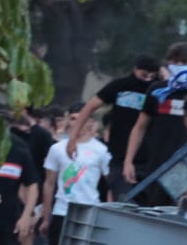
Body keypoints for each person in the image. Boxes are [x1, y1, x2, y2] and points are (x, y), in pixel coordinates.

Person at [64, 54, 158, 199]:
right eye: (144, 75)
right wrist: (73, 138)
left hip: (149, 158)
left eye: (152, 76)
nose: (147, 79)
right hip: (119, 156)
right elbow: (89, 107)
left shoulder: (158, 89)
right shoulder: (120, 86)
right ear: (135, 69)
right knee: (123, 201)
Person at [122, 43, 187, 197]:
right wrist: (128, 161)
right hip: (157, 163)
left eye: (185, 62)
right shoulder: (158, 90)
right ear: (168, 63)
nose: (179, 66)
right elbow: (140, 126)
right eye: (175, 62)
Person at [40, 106, 111, 245]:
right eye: (72, 118)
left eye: (82, 118)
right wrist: (45, 217)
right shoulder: (57, 149)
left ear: (91, 122)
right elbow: (49, 184)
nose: (77, 122)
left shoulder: (101, 150)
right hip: (61, 210)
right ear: (66, 121)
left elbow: (110, 184)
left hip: (89, 210)